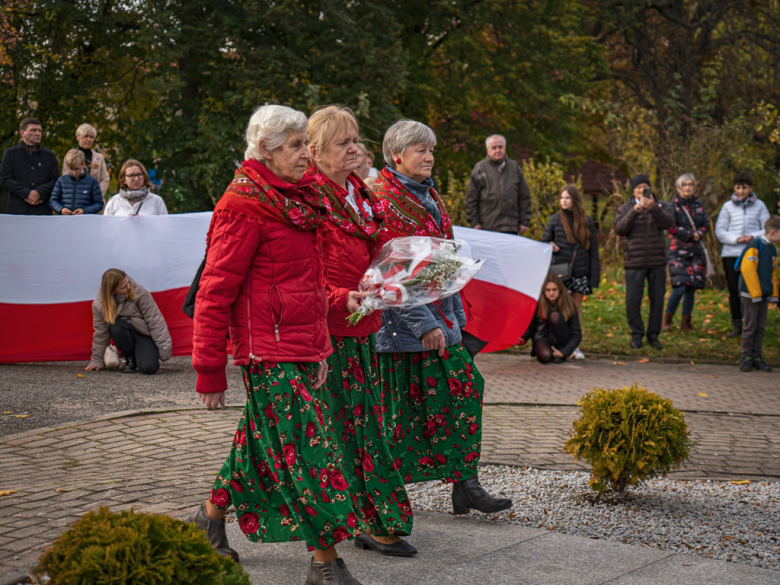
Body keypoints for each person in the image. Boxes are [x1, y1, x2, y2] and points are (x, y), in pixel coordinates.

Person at [188, 105, 369, 585]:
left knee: (259, 445)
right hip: (266, 352)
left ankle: (209, 517)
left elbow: (306, 284)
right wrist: (208, 369)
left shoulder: (300, 199)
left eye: (303, 145)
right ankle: (325, 562)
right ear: (264, 151)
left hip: (303, 344)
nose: (304, 155)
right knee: (310, 453)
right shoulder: (242, 206)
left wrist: (323, 342)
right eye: (294, 146)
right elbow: (215, 290)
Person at [373, 119, 513, 516]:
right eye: (422, 150)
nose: (430, 157)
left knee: (463, 392)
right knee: (401, 413)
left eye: (431, 149)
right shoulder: (384, 199)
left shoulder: (428, 194)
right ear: (397, 155)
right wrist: (427, 325)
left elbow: (445, 263)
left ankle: (464, 484)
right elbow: (393, 270)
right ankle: (385, 497)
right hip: (405, 331)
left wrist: (453, 321)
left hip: (442, 321)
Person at [303, 105, 415, 557]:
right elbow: (302, 272)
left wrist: (399, 276)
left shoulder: (358, 191)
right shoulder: (308, 198)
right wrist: (337, 297)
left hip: (363, 322)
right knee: (342, 429)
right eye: (342, 143)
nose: (354, 149)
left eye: (355, 141)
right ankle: (371, 520)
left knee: (359, 424)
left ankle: (368, 517)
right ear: (315, 152)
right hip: (326, 331)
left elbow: (376, 251)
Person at [614, 174, 674, 350]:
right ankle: (637, 334)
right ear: (633, 190)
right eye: (638, 187)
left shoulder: (661, 205)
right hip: (634, 261)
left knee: (657, 299)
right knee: (633, 300)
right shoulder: (625, 208)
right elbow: (620, 229)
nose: (641, 190)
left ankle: (653, 335)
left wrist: (653, 208)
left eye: (644, 187)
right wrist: (636, 210)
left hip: (657, 261)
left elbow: (668, 223)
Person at [541, 184, 599, 359]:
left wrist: (593, 278)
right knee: (559, 310)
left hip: (580, 272)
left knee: (575, 310)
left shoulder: (586, 221)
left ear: (575, 200)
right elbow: (543, 243)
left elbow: (593, 251)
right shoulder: (554, 220)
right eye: (562, 198)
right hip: (560, 273)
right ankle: (559, 343)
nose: (564, 201)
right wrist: (549, 246)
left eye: (567, 198)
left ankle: (574, 346)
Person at [715, 171, 771, 339]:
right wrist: (737, 239)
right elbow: (720, 231)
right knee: (734, 290)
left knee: (751, 289)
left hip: (753, 254)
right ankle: (737, 324)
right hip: (731, 253)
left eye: (744, 187)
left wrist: (752, 237)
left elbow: (767, 228)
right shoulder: (727, 207)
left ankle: (752, 323)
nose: (741, 191)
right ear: (734, 188)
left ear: (750, 188)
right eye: (738, 187)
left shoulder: (760, 205)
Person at [86, 269, 172, 374]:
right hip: (122, 334)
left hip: (143, 334)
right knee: (115, 326)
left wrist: (164, 349)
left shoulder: (140, 292)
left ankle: (140, 357)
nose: (129, 287)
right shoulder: (99, 305)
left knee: (149, 368)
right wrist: (97, 361)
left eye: (128, 283)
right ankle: (130, 359)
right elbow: (101, 333)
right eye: (124, 287)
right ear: (113, 291)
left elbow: (155, 320)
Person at [663, 173, 710, 333]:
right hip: (678, 251)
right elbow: (671, 226)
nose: (688, 187)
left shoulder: (698, 204)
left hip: (696, 252)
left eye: (690, 184)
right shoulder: (673, 206)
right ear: (679, 187)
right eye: (684, 185)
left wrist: (700, 234)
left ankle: (686, 322)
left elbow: (706, 224)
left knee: (691, 287)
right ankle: (667, 321)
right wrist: (691, 235)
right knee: (680, 287)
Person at [736, 216, 780, 372]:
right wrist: (755, 294)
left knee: (760, 327)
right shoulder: (755, 245)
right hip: (751, 295)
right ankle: (746, 357)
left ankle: (757, 357)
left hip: (763, 295)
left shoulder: (772, 249)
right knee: (750, 326)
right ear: (773, 232)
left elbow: (773, 273)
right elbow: (748, 270)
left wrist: (774, 294)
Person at [465, 134, 531, 235]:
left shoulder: (514, 167)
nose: (498, 150)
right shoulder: (480, 168)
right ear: (487, 150)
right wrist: (475, 223)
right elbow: (471, 199)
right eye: (494, 148)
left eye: (500, 147)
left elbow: (524, 197)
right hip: (487, 227)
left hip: (511, 226)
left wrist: (524, 222)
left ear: (505, 148)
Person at [0, 118, 59, 215]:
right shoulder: (11, 153)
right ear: (22, 133)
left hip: (43, 210)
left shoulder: (50, 156)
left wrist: (39, 193)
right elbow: (4, 179)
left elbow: (55, 181)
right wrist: (27, 194)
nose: (38, 133)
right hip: (17, 210)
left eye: (40, 130)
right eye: (33, 130)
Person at [520, 274, 582, 364]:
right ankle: (549, 353)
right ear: (543, 291)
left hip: (561, 340)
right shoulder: (538, 304)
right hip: (542, 337)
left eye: (554, 289)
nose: (551, 293)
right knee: (545, 357)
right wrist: (523, 338)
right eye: (548, 290)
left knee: (555, 316)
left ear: (560, 290)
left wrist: (564, 352)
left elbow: (577, 334)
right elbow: (532, 326)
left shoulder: (569, 304)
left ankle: (558, 353)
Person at [103, 160, 168, 216]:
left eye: (139, 174)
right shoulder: (114, 202)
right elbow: (106, 227)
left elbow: (165, 226)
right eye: (131, 175)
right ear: (124, 180)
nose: (136, 179)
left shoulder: (156, 201)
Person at [61, 123, 110, 197]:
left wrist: (95, 195)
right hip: (75, 200)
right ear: (78, 137)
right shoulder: (69, 157)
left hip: (95, 202)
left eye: (91, 137)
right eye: (86, 136)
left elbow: (105, 179)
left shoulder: (99, 157)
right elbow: (66, 178)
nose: (89, 139)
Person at [49, 150, 104, 215]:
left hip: (84, 220)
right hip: (65, 220)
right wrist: (61, 209)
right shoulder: (61, 181)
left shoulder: (92, 182)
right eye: (71, 169)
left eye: (77, 169)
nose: (74, 172)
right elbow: (53, 201)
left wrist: (84, 211)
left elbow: (99, 204)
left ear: (83, 165)